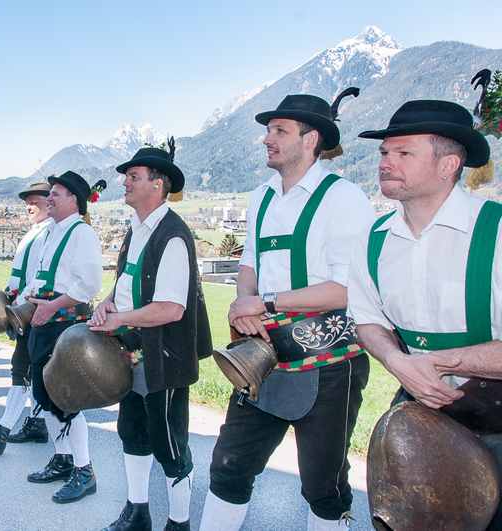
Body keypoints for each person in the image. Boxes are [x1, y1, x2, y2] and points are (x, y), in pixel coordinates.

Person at [199, 93, 375, 531]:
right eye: (268, 130)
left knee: (322, 485)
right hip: (262, 356)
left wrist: (267, 304)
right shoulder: (262, 197)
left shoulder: (344, 199)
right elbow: (249, 265)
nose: (266, 139)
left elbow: (346, 289)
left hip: (329, 364)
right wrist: (244, 303)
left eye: (279, 131)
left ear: (310, 139)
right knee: (228, 465)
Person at [347, 99, 502, 529]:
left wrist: (438, 363)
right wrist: (397, 362)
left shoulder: (497, 231)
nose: (385, 163)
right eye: (383, 153)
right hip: (420, 425)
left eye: (403, 153)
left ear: (448, 164)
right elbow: (367, 322)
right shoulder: (373, 239)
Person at [90, 140, 212, 531]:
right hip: (132, 351)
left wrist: (120, 317)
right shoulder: (137, 230)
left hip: (164, 358)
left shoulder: (172, 235)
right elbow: (125, 281)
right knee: (133, 433)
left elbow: (171, 309)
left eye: (134, 177)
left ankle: (178, 523)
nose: (125, 182)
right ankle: (138, 511)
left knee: (170, 445)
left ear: (157, 185)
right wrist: (108, 304)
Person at [23, 171, 103, 504]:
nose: (49, 198)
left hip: (62, 324)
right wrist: (20, 307)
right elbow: (39, 278)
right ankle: (62, 457)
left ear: (74, 199)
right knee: (44, 394)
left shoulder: (82, 234)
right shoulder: (50, 233)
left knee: (65, 397)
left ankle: (84, 471)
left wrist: (51, 306)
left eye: (56, 193)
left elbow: (88, 285)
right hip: (43, 321)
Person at [0, 182, 53, 455]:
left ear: (49, 201)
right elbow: (22, 272)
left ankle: (3, 431)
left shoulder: (49, 233)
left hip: (34, 310)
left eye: (34, 201)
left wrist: (22, 300)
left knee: (24, 371)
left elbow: (40, 277)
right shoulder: (36, 231)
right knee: (26, 371)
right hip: (24, 309)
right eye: (26, 201)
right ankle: (37, 423)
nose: (28, 206)